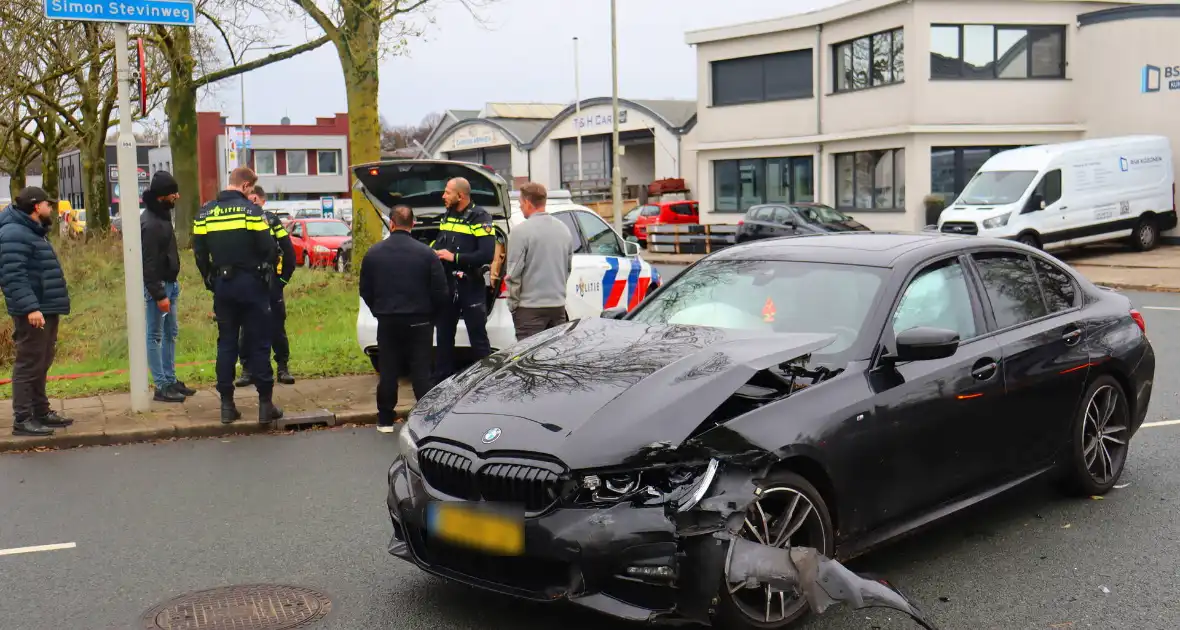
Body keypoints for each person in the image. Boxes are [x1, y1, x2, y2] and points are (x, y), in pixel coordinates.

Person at [192, 167, 283, 426]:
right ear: (245, 186)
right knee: (259, 342)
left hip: (223, 285)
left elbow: (199, 252)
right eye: (251, 189)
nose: (251, 194)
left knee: (227, 344)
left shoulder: (205, 212)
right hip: (252, 285)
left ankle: (227, 406)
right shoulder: (252, 212)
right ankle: (265, 405)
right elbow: (268, 248)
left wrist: (209, 277)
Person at [360, 205, 449, 432]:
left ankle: (385, 420)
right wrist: (431, 315)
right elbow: (441, 291)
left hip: (388, 320)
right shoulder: (427, 254)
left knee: (388, 370)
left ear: (391, 223)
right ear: (413, 224)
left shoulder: (373, 254)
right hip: (420, 321)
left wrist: (379, 311)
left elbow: (365, 290)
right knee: (421, 371)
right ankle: (426, 420)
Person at [0, 187, 73, 437]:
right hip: (33, 309)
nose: (50, 208)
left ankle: (41, 411)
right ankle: (23, 418)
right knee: (28, 362)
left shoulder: (32, 231)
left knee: (42, 360)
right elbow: (13, 275)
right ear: (35, 207)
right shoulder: (13, 233)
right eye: (47, 204)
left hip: (46, 306)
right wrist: (30, 307)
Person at [431, 177, 496, 382]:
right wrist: (430, 251)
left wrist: (455, 258)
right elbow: (441, 241)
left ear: (460, 195)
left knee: (478, 339)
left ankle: (486, 382)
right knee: (443, 338)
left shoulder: (480, 218)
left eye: (447, 192)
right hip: (447, 285)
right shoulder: (447, 215)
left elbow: (487, 254)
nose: (443, 196)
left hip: (470, 285)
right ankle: (441, 384)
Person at [141, 171, 196, 403]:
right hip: (160, 288)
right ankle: (161, 386)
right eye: (173, 192)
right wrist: (159, 293)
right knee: (155, 335)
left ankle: (170, 379)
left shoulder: (161, 216)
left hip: (169, 284)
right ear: (163, 195)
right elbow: (149, 263)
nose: (178, 196)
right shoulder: (151, 223)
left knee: (170, 334)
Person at [235, 186, 296, 388]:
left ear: (262, 200)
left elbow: (288, 251)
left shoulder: (271, 220)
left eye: (254, 199)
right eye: (248, 199)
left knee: (277, 326)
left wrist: (282, 281)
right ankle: (247, 369)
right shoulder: (240, 220)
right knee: (246, 328)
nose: (251, 203)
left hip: (270, 283)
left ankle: (282, 367)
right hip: (247, 283)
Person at [505, 182, 574, 340]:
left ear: (528, 203)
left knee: (528, 361)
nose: (520, 207)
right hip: (557, 308)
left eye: (521, 203)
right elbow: (567, 269)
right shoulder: (564, 229)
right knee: (553, 358)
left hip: (529, 310)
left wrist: (513, 305)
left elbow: (513, 273)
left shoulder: (520, 232)